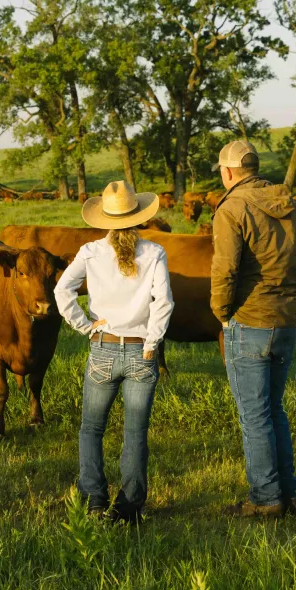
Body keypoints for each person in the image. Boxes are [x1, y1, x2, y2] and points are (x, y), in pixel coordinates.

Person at [210, 140, 296, 518]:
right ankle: (288, 494)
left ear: (228, 173)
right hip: (285, 319)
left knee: (253, 415)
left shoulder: (231, 208)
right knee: (274, 410)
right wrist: (292, 293)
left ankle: (266, 499)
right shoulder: (292, 204)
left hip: (248, 321)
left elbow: (225, 268)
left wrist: (222, 311)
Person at [54, 180, 175, 523]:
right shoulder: (153, 252)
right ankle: (130, 506)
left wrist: (85, 326)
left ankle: (94, 499)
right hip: (142, 352)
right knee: (135, 432)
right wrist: (152, 343)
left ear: (103, 219)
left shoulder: (90, 251)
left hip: (103, 348)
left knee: (92, 428)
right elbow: (164, 303)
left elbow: (62, 291)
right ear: (137, 216)